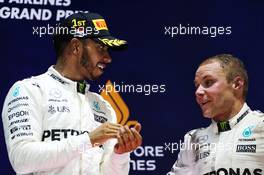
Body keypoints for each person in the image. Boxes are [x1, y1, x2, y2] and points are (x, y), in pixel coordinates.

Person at [2, 12, 142, 175]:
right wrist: (88, 140)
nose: (108, 58)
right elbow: (22, 160)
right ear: (76, 47)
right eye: (101, 47)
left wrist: (120, 155)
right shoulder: (29, 90)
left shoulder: (103, 106)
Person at [167, 54, 264, 175]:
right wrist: (134, 152)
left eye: (208, 82)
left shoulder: (261, 126)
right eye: (197, 86)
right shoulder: (193, 139)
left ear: (237, 84)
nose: (198, 92)